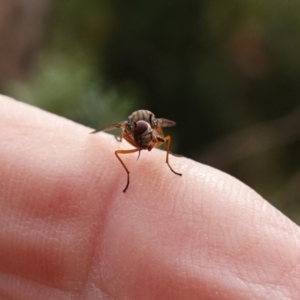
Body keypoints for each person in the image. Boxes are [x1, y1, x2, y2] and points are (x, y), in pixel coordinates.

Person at [1, 94, 299, 300]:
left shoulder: (153, 129)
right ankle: (137, 171)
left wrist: (166, 159)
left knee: (162, 143)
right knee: (120, 150)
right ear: (133, 129)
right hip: (123, 146)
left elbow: (162, 133)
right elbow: (119, 137)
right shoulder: (129, 130)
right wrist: (128, 168)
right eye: (141, 133)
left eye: (148, 132)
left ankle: (169, 162)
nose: (147, 138)